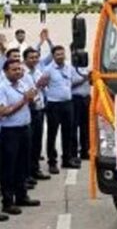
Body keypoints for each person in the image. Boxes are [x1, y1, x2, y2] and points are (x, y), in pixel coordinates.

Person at [0, 59, 42, 217]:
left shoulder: (22, 84)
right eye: (14, 69)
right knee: (9, 167)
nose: (18, 72)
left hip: (25, 128)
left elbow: (30, 101)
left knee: (22, 165)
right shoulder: (2, 88)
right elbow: (3, 112)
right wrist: (24, 100)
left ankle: (21, 196)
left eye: (19, 69)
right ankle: (8, 202)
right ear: (5, 72)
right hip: (10, 132)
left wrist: (32, 98)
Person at [43, 45, 79, 174]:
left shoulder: (69, 67)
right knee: (52, 134)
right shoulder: (48, 69)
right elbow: (42, 85)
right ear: (53, 56)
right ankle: (52, 162)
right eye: (58, 54)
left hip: (67, 103)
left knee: (68, 132)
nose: (60, 57)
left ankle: (67, 159)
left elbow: (71, 82)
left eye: (62, 54)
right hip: (54, 105)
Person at [22, 48, 51, 181]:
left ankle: (35, 169)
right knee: (28, 144)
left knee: (37, 142)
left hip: (39, 108)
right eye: (31, 58)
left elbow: (42, 89)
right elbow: (27, 93)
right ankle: (26, 173)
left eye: (36, 57)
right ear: (25, 59)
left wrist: (44, 85)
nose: (34, 60)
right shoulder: (22, 74)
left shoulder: (38, 71)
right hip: (29, 111)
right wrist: (38, 85)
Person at [71, 65, 90, 160]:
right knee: (74, 126)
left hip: (86, 98)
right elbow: (68, 84)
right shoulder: (70, 68)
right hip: (75, 99)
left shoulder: (87, 67)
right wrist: (83, 79)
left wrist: (91, 78)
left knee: (86, 126)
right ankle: (73, 152)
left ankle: (85, 151)